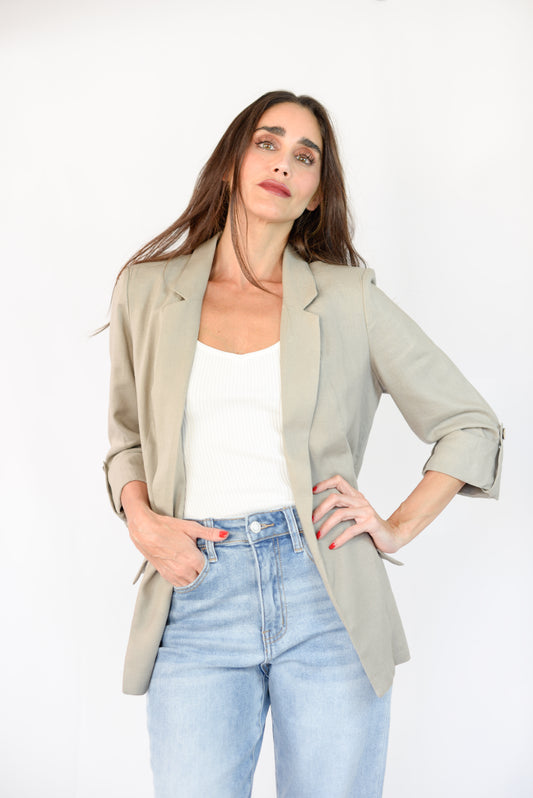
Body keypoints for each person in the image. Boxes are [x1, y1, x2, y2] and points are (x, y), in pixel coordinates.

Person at [102, 90, 503, 798]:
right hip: (194, 588)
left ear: (317, 195)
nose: (283, 163)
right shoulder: (146, 291)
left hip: (327, 593)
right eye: (267, 143)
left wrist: (394, 525)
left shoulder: (347, 299)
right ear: (232, 163)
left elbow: (469, 423)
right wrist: (142, 521)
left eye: (304, 156)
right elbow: (127, 437)